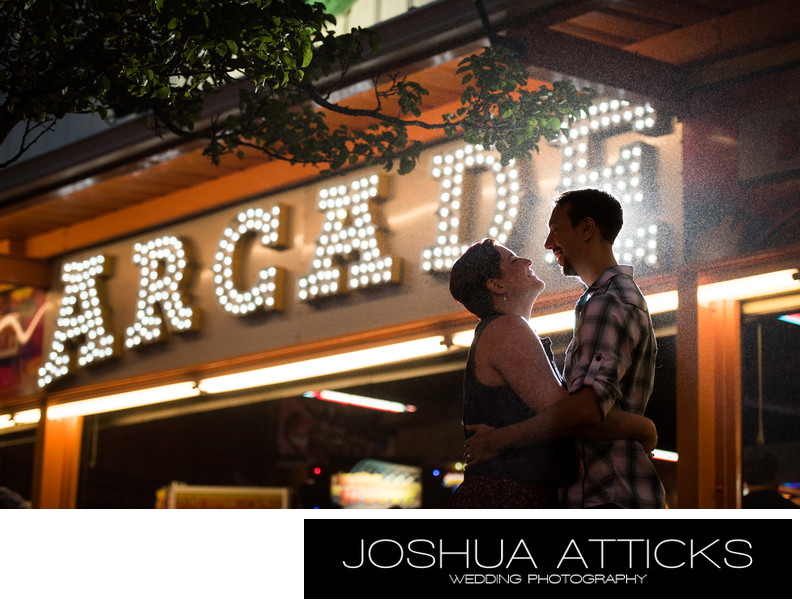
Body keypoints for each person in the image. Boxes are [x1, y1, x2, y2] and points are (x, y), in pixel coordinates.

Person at [465, 189, 666, 508]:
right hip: (605, 488)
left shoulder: (606, 302)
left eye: (555, 230)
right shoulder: (601, 301)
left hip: (605, 491)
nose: (546, 244)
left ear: (586, 229)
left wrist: (498, 439)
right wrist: (643, 425)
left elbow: (584, 410)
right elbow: (574, 408)